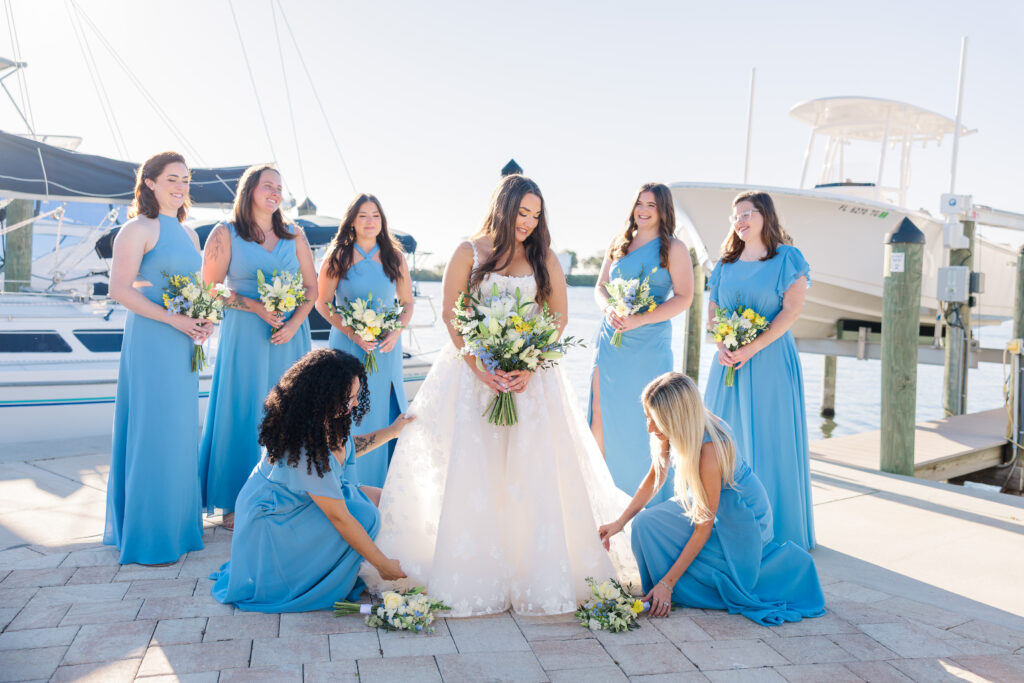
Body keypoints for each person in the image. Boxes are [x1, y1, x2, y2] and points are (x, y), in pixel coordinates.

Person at [361, 174, 639, 616]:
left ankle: (533, 569)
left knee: (533, 472)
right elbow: (454, 319)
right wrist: (481, 367)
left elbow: (559, 317)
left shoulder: (543, 255)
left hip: (531, 380)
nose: (528, 222)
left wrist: (528, 364)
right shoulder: (469, 251)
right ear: (503, 208)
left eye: (535, 214)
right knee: (478, 470)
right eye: (522, 212)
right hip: (473, 378)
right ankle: (475, 569)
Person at [599, 372, 826, 625]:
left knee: (706, 562)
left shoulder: (711, 450)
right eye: (647, 418)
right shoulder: (674, 429)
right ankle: (663, 588)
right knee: (644, 525)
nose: (650, 427)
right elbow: (656, 476)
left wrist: (668, 582)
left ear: (677, 418)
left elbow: (702, 528)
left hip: (742, 517)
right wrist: (619, 523)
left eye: (656, 420)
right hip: (707, 500)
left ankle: (668, 587)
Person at [210, 349, 412, 612]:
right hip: (275, 522)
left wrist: (392, 432)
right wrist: (382, 564)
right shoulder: (306, 444)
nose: (353, 404)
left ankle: (345, 562)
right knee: (364, 517)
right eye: (348, 398)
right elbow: (340, 518)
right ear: (323, 395)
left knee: (384, 498)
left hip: (296, 502)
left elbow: (347, 447)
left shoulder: (323, 419)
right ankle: (313, 575)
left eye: (356, 395)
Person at [104, 151, 209, 565]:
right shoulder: (137, 228)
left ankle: (178, 528)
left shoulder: (190, 235)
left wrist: (204, 320)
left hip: (184, 341)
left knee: (180, 429)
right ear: (149, 182)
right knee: (153, 427)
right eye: (171, 179)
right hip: (152, 339)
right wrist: (174, 319)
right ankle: (149, 536)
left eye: (185, 179)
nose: (180, 186)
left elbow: (198, 290)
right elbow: (120, 289)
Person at [199, 164, 315, 529]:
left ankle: (291, 495)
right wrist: (255, 307)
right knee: (245, 408)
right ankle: (236, 501)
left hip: (289, 335)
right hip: (246, 334)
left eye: (279, 187)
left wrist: (293, 323)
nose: (275, 192)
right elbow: (210, 289)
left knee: (292, 411)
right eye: (268, 185)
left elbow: (312, 289)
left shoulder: (295, 234)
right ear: (249, 190)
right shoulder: (226, 233)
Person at [704, 191, 814, 549]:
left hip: (769, 361)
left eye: (747, 213)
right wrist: (724, 341)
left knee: (770, 436)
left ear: (765, 216)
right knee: (723, 438)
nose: (740, 221)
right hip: (728, 363)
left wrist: (752, 347)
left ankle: (776, 531)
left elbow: (791, 311)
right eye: (735, 216)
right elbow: (714, 309)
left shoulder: (787, 258)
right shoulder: (724, 264)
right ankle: (727, 525)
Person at [590, 183, 693, 506]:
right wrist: (610, 309)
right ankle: (600, 496)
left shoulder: (673, 248)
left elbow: (684, 297)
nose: (643, 210)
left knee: (650, 421)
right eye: (639, 203)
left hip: (649, 346)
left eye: (651, 205)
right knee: (601, 414)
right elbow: (600, 288)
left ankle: (648, 503)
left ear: (664, 210)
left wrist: (640, 319)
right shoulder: (619, 242)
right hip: (612, 341)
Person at [315, 194, 413, 487]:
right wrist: (352, 333)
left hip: (385, 348)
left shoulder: (394, 256)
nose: (370, 222)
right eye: (363, 216)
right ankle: (345, 486)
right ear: (352, 221)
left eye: (376, 216)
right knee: (347, 410)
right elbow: (323, 303)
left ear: (382, 221)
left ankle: (381, 489)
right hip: (347, 347)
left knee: (381, 411)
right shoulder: (338, 255)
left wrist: (396, 330)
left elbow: (407, 303)